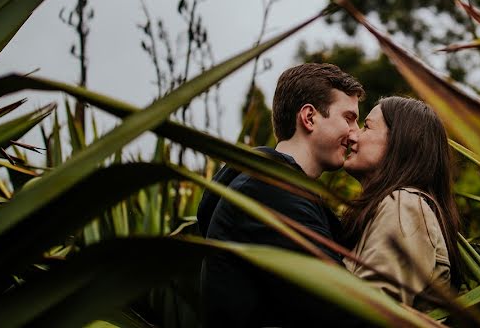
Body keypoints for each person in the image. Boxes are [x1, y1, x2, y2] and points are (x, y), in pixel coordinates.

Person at [197, 63, 364, 327]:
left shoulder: (269, 186)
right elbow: (340, 306)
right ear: (309, 117)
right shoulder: (270, 189)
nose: (356, 133)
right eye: (349, 118)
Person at [341, 96, 464, 311]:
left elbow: (373, 311)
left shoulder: (404, 204)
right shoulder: (402, 206)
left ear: (401, 141)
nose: (352, 135)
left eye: (366, 127)